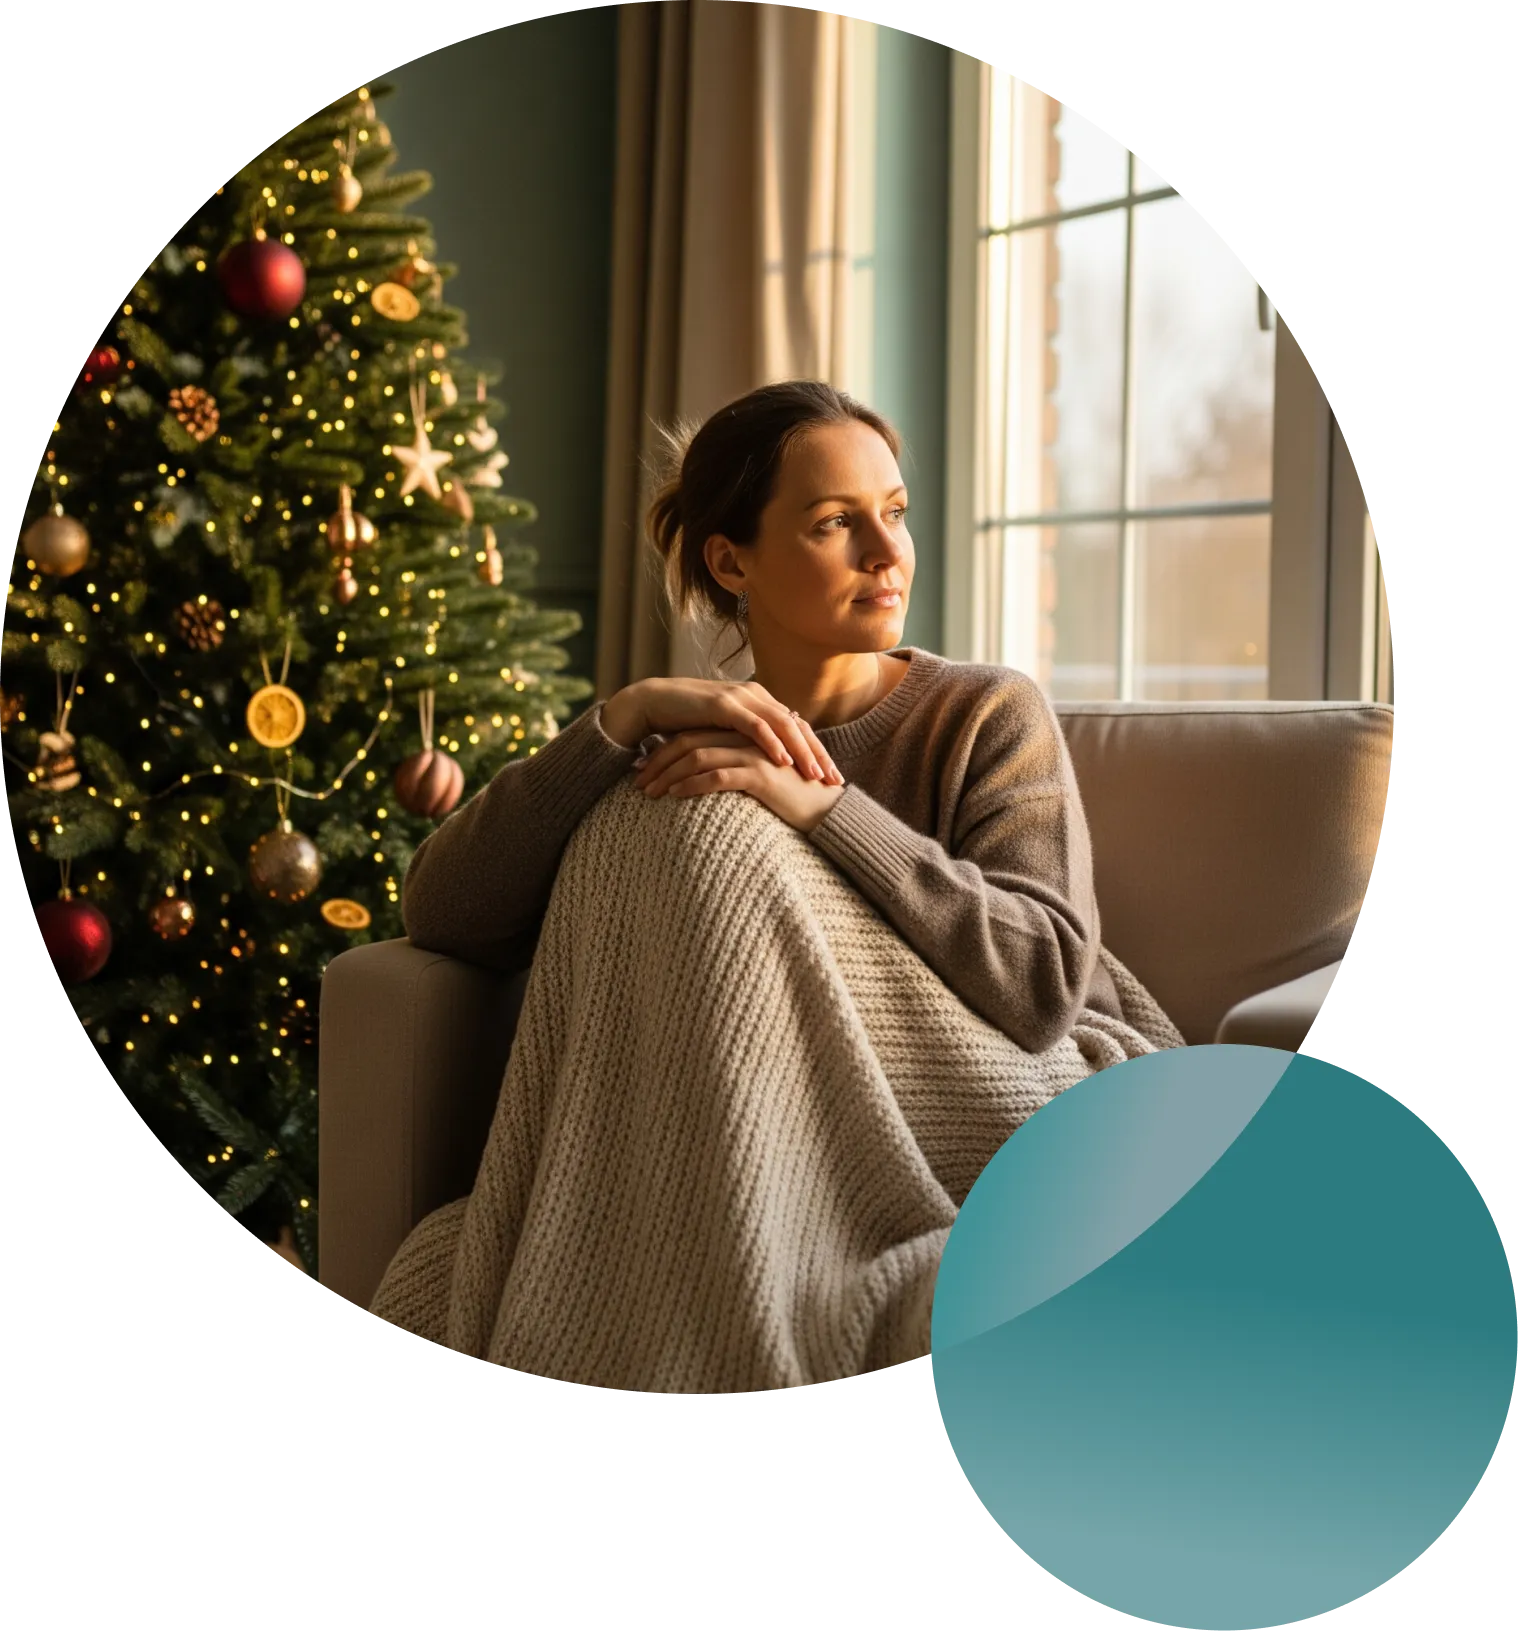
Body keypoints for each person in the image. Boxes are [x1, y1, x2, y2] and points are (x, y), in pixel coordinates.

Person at [400, 378, 1127, 1050]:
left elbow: (1045, 990)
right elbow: (442, 912)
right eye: (835, 522)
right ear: (730, 563)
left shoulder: (986, 712)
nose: (887, 552)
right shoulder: (689, 751)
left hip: (1043, 1077)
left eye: (895, 513)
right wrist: (622, 718)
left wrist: (823, 809)